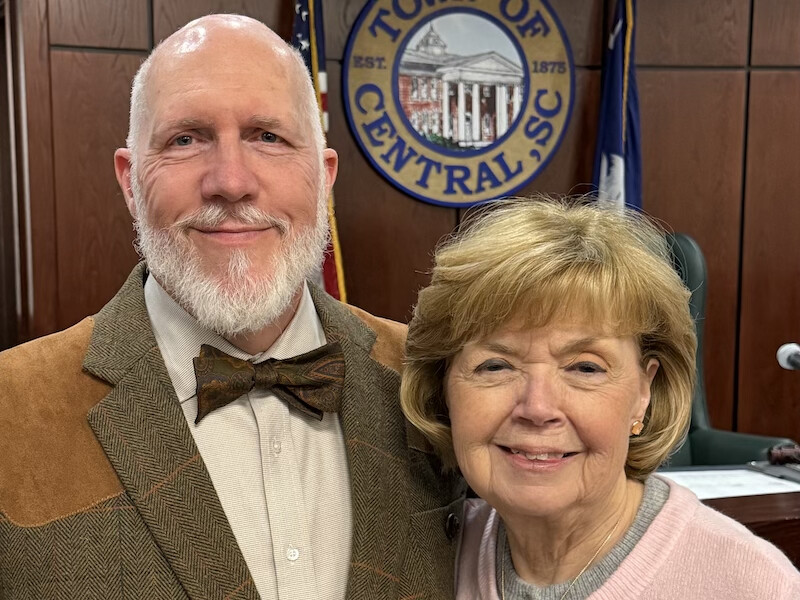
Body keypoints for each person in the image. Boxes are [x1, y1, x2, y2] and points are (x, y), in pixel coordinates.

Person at [0, 15, 464, 599]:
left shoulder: (435, 383)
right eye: (185, 139)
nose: (231, 181)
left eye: (268, 136)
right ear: (129, 182)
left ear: (322, 179)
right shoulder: (10, 410)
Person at [401, 197, 800, 599]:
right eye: (495, 366)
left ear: (644, 391)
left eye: (585, 368)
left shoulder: (751, 584)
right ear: (444, 388)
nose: (538, 409)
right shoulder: (419, 559)